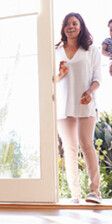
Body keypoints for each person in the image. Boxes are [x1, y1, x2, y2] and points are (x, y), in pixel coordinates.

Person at [55, 12, 102, 204]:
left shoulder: (91, 50)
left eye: (74, 23)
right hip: (64, 104)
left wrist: (89, 92)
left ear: (81, 26)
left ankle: (95, 192)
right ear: (63, 28)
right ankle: (75, 194)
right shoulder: (56, 50)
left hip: (85, 103)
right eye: (67, 24)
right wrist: (60, 73)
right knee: (70, 148)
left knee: (86, 145)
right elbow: (52, 80)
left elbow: (98, 78)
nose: (70, 26)